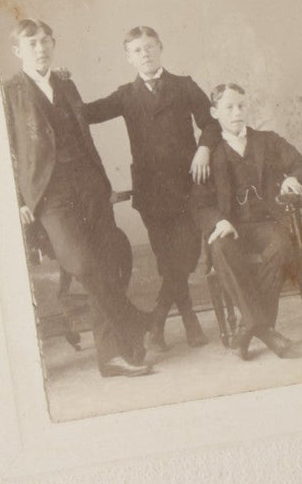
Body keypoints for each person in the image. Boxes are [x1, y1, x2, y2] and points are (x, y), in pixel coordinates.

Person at [2, 19, 150, 377]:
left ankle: (112, 355)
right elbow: (4, 149)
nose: (41, 48)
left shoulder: (66, 83)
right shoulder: (9, 92)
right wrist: (19, 199)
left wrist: (102, 185)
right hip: (49, 195)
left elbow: (83, 135)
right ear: (17, 51)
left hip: (89, 187)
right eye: (32, 43)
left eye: (45, 41)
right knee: (83, 264)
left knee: (109, 256)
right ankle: (134, 320)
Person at [85, 26, 219, 350]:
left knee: (185, 257)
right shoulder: (125, 96)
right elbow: (86, 113)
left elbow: (211, 123)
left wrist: (204, 148)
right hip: (152, 193)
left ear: (161, 47)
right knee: (167, 259)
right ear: (129, 58)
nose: (145, 54)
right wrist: (60, 86)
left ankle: (157, 319)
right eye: (137, 50)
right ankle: (189, 320)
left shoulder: (184, 86)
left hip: (188, 187)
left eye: (149, 47)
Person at [193, 84, 302, 360]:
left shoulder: (268, 141)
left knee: (281, 244)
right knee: (220, 249)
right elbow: (199, 203)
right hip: (230, 226)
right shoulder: (208, 154)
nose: (237, 113)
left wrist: (293, 177)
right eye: (229, 107)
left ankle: (248, 327)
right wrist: (218, 221)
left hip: (265, 223)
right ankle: (266, 331)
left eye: (241, 106)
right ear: (215, 112)